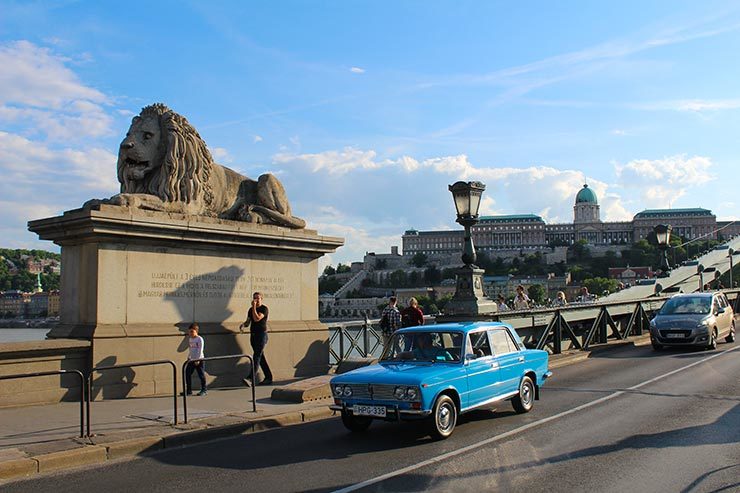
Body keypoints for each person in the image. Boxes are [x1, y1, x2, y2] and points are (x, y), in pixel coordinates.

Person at [239, 292, 273, 386]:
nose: (256, 300)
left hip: (261, 335)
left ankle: (250, 378)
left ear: (262, 299)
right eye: (254, 298)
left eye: (258, 298)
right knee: (260, 357)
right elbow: (249, 321)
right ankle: (268, 377)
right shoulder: (250, 310)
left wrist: (254, 307)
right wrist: (243, 325)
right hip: (253, 335)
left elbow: (257, 318)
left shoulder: (264, 309)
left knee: (256, 356)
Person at [185, 323, 207, 396]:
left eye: (192, 331)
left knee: (201, 375)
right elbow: (191, 349)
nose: (190, 333)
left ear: (196, 331)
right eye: (189, 331)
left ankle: (204, 390)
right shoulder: (190, 339)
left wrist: (197, 359)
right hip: (192, 359)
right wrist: (189, 357)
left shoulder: (199, 339)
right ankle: (189, 390)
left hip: (199, 360)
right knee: (187, 373)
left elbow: (200, 349)